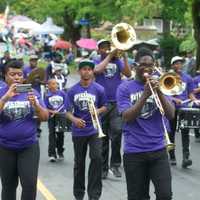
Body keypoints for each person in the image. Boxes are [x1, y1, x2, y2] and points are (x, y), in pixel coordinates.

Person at [116, 48, 174, 200]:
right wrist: (144, 95)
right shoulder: (124, 87)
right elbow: (127, 117)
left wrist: (159, 92)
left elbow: (171, 114)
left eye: (150, 65)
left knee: (165, 195)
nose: (147, 68)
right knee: (137, 197)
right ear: (135, 66)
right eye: (143, 64)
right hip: (134, 152)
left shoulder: (161, 84)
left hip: (159, 150)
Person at [0, 60, 49, 200]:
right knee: (8, 186)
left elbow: (45, 117)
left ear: (23, 77)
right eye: (12, 74)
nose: (16, 77)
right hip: (5, 147)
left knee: (29, 185)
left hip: (28, 146)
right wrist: (5, 98)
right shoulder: (1, 93)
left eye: (19, 74)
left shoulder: (32, 92)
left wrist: (37, 106)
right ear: (5, 76)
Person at [66, 59, 107, 200]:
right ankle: (79, 194)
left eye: (89, 69)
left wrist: (97, 111)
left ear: (92, 72)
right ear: (79, 71)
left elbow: (105, 106)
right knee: (79, 163)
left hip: (95, 129)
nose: (87, 72)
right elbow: (67, 111)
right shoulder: (72, 91)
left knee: (96, 158)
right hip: (79, 131)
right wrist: (75, 120)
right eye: (84, 69)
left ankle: (94, 195)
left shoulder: (99, 89)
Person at [94, 39, 131, 179]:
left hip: (116, 103)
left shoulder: (117, 61)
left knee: (117, 131)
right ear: (99, 50)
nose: (107, 49)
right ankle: (103, 168)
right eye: (103, 48)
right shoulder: (96, 61)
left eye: (108, 47)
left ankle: (115, 165)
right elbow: (97, 71)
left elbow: (128, 74)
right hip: (102, 104)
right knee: (102, 137)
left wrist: (125, 57)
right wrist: (109, 56)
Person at [169, 56, 198, 167]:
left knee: (185, 132)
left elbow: (190, 93)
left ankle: (186, 157)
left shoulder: (187, 77)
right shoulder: (168, 76)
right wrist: (174, 99)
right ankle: (172, 156)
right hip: (171, 108)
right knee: (170, 133)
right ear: (172, 65)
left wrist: (195, 100)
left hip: (184, 108)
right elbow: (165, 93)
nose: (178, 65)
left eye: (180, 63)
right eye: (176, 63)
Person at [44, 79, 67, 162]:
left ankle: (60, 151)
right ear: (48, 86)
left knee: (61, 134)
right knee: (52, 134)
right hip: (51, 117)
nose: (54, 85)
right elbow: (45, 107)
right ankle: (52, 154)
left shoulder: (62, 93)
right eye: (52, 84)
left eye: (56, 84)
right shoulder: (47, 95)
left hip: (61, 116)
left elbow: (66, 104)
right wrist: (52, 111)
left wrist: (60, 111)